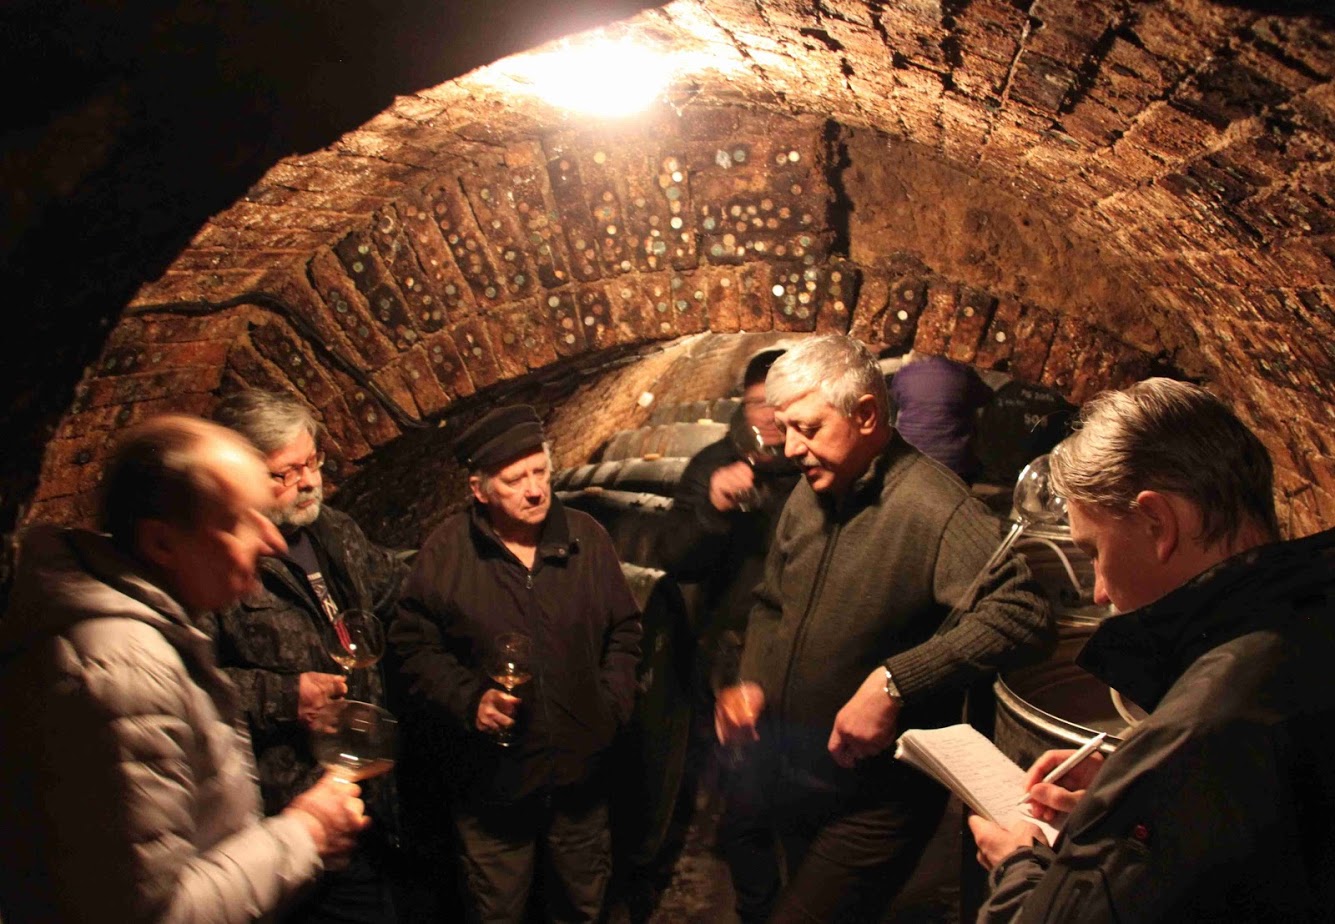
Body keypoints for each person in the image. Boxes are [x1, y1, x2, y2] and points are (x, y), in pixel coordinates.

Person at [713, 334, 1053, 923]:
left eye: (808, 428)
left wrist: (894, 681)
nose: (790, 448)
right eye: (785, 428)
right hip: (797, 769)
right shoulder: (809, 494)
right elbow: (772, 603)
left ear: (867, 414)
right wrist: (753, 680)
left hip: (876, 799)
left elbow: (1024, 612)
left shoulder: (934, 507)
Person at [968, 378, 1335, 922]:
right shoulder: (1310, 617)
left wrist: (1018, 865)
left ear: (1157, 523)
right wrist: (1121, 791)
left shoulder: (1202, 730)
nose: (1098, 590)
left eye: (1094, 551)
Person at [0, 415, 369, 923]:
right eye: (240, 521)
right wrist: (305, 834)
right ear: (161, 544)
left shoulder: (159, 625)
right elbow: (150, 913)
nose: (273, 542)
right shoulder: (123, 672)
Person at [389, 405, 642, 923]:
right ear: (480, 490)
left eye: (540, 472)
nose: (534, 490)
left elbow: (624, 630)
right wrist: (467, 700)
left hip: (580, 777)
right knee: (498, 911)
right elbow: (413, 647)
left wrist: (610, 708)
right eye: (515, 480)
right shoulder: (447, 553)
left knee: (583, 906)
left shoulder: (587, 539)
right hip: (493, 786)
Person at [206, 389, 409, 923]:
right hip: (290, 807)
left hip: (366, 795)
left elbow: (399, 588)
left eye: (312, 461)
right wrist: (284, 695)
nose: (309, 481)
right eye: (286, 472)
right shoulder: (221, 562)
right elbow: (193, 685)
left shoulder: (333, 530)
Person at [657, 347, 800, 690]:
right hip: (732, 646)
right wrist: (711, 510)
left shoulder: (821, 463)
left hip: (803, 645)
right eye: (757, 403)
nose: (768, 416)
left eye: (778, 401)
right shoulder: (714, 463)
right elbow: (677, 561)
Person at [890, 351, 993, 483]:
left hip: (910, 455)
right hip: (953, 463)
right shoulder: (962, 373)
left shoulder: (905, 372)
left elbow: (896, 397)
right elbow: (986, 396)